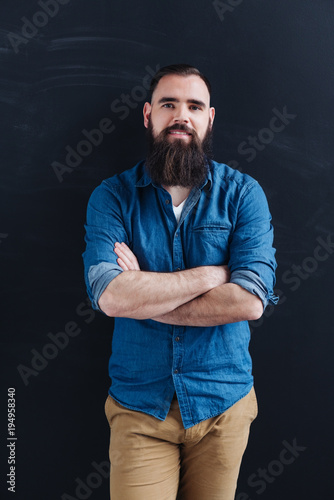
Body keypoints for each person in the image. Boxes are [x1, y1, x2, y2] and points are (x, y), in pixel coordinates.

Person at [82, 63, 278, 500]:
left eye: (194, 105)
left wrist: (144, 293)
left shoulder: (244, 195)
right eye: (169, 104)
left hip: (223, 406)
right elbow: (111, 296)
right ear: (148, 115)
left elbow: (248, 302)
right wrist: (213, 274)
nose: (181, 116)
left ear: (210, 118)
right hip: (140, 408)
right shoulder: (111, 197)